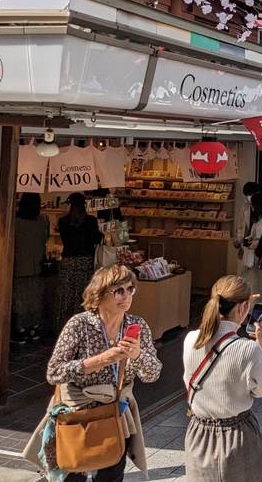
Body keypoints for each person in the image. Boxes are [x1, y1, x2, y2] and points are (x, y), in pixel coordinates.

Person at [27, 264, 162, 481]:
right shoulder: (79, 325)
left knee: (112, 473)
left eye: (130, 289)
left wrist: (137, 355)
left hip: (114, 414)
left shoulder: (137, 325)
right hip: (78, 416)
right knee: (73, 474)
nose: (126, 296)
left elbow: (152, 374)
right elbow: (54, 373)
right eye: (118, 290)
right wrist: (101, 360)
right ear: (99, 294)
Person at [182, 275, 262, 481]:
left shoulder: (191, 340)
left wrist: (243, 306)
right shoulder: (248, 349)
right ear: (243, 307)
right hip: (237, 435)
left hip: (198, 433)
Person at [54, 192, 104, 334]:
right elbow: (95, 239)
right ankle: (82, 324)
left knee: (66, 293)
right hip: (85, 260)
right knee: (83, 292)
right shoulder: (90, 221)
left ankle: (63, 324)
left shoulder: (63, 221)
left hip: (68, 260)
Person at [13, 193, 50, 344]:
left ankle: (20, 330)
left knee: (19, 299)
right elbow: (46, 238)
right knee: (35, 299)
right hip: (37, 266)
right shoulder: (43, 221)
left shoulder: (15, 222)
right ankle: (33, 329)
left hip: (19, 265)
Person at [239, 192, 262, 297]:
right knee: (252, 281)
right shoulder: (258, 218)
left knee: (260, 283)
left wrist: (258, 242)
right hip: (253, 255)